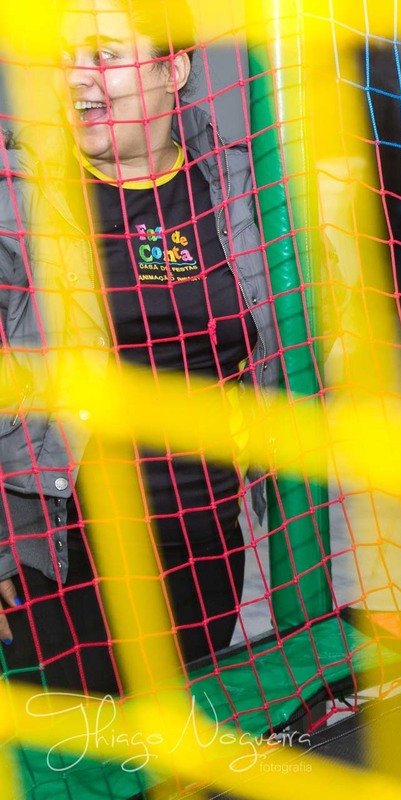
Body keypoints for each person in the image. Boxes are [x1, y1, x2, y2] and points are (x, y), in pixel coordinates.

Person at [0, 0, 280, 695]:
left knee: (184, 742)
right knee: (92, 764)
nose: (75, 79)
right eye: (62, 59)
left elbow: (279, 336)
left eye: (102, 55)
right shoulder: (19, 195)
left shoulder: (236, 184)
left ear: (173, 69)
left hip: (207, 535)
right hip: (68, 545)